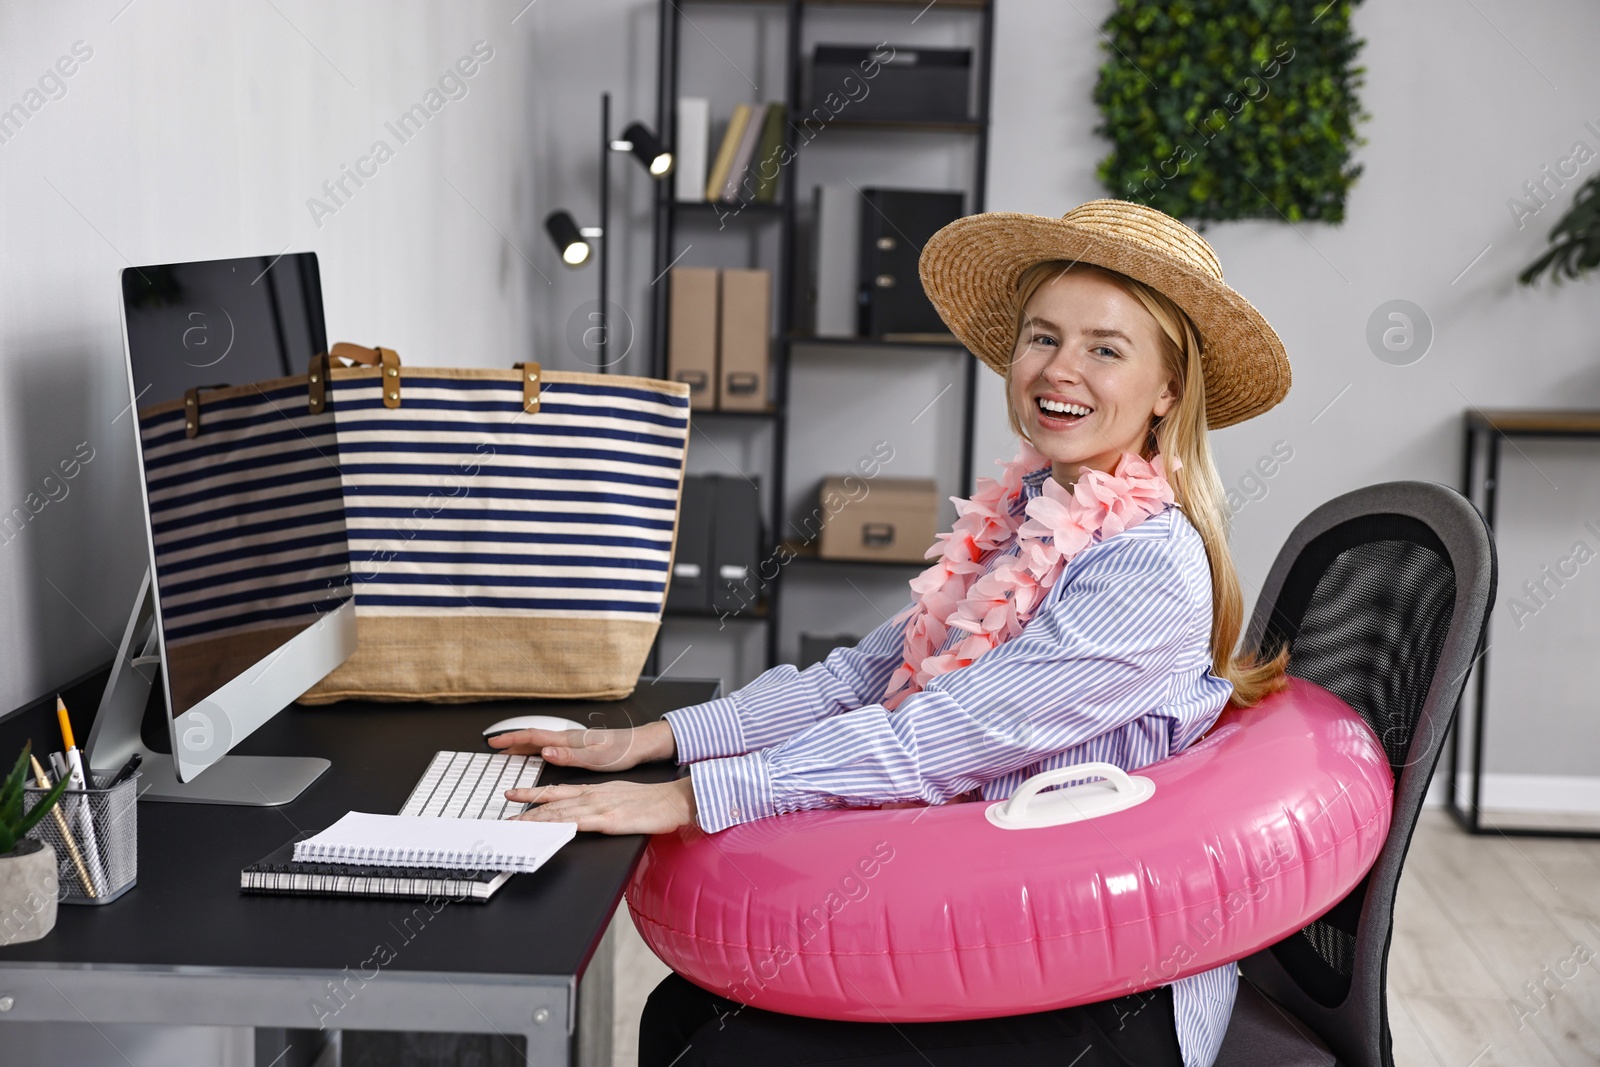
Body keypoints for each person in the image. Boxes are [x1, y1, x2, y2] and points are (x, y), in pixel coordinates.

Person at [492, 198, 1294, 1067]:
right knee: (684, 1014)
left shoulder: (1144, 568)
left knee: (723, 1050)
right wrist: (651, 742)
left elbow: (938, 739)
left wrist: (693, 796)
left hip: (1108, 988)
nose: (1061, 369)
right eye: (1042, 336)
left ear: (1168, 388)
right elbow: (859, 678)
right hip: (992, 920)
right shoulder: (1027, 518)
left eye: (1105, 348)